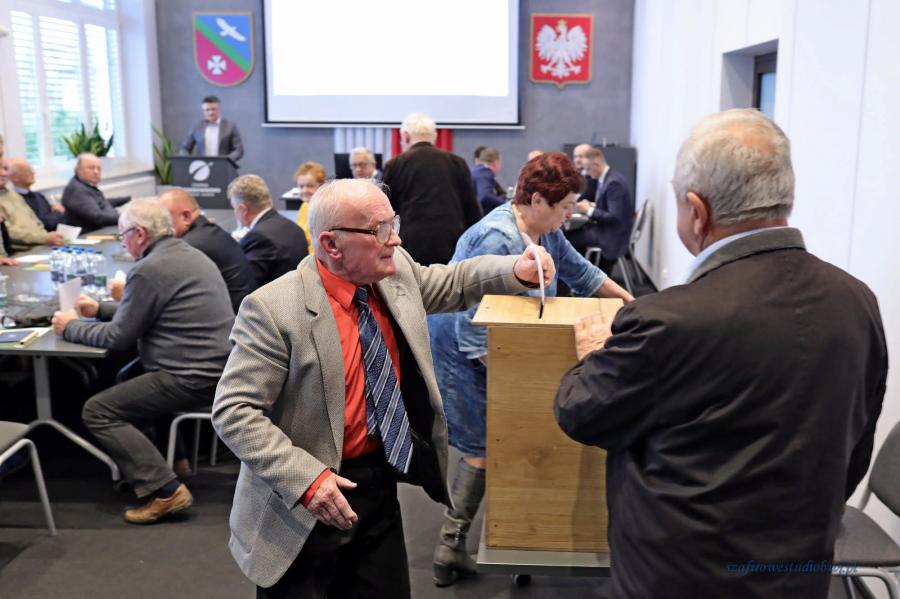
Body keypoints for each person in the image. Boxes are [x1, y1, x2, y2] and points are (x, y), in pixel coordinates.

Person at [553, 109, 888, 598]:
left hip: (678, 579)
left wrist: (592, 352)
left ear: (697, 211)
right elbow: (855, 447)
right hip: (799, 577)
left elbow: (581, 413)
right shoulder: (857, 301)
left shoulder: (666, 320)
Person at [212, 178, 555, 598]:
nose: (395, 238)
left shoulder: (393, 273)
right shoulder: (273, 309)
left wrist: (515, 270)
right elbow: (234, 412)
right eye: (379, 230)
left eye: (393, 223)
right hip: (304, 498)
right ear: (332, 244)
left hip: (376, 484)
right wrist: (307, 480)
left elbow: (452, 281)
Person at [428, 152, 633, 587]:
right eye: (564, 207)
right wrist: (520, 384)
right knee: (484, 446)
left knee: (515, 435)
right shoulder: (498, 239)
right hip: (463, 351)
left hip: (501, 346)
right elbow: (471, 333)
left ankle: (515, 534)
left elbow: (582, 273)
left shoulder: (544, 230)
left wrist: (633, 307)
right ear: (537, 200)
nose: (569, 215)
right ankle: (449, 547)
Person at [50, 199, 234, 524]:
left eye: (123, 236)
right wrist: (101, 310)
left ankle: (165, 490)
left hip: (191, 375)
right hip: (217, 366)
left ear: (139, 234)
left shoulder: (149, 268)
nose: (122, 244)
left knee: (98, 410)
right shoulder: (188, 254)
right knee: (128, 377)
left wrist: (70, 327)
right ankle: (172, 463)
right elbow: (148, 310)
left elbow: (117, 338)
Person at [382, 112, 482, 265]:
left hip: (411, 245)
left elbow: (386, 210)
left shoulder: (395, 165)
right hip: (452, 244)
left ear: (406, 137)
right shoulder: (457, 163)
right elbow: (472, 211)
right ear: (433, 137)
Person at [158, 188, 253, 313]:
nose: (158, 226)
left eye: (164, 219)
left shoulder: (190, 246)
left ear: (186, 216)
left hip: (234, 318)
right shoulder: (210, 231)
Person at [229, 174, 309, 289]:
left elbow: (245, 285)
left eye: (234, 208)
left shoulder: (258, 237)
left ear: (243, 209)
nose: (235, 213)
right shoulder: (294, 227)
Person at [564, 147, 635, 273]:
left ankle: (577, 276)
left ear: (596, 164)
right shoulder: (608, 178)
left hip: (611, 234)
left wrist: (589, 211)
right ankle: (581, 274)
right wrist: (591, 206)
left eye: (588, 169)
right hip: (606, 228)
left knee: (567, 238)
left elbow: (614, 217)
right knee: (571, 235)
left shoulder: (614, 183)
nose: (587, 173)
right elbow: (608, 207)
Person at [0, 158, 64, 250]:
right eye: (27, 171)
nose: (4, 173)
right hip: (22, 251)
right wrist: (44, 238)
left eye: (5, 169)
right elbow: (7, 232)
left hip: (41, 245)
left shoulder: (14, 195)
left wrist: (47, 236)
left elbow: (37, 222)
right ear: (14, 177)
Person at [61, 153, 131, 231]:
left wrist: (129, 199)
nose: (96, 172)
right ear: (77, 170)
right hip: (89, 234)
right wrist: (127, 218)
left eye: (98, 169)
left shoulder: (84, 184)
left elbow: (100, 202)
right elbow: (98, 217)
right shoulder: (76, 190)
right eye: (91, 168)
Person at [180, 95, 244, 163]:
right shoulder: (197, 127)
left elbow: (239, 150)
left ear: (219, 109)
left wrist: (226, 160)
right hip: (202, 167)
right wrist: (188, 161)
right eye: (207, 110)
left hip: (224, 166)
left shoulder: (230, 126)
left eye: (213, 109)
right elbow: (185, 148)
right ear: (203, 111)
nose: (210, 113)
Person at [6, 157, 65, 230]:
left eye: (31, 169)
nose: (33, 173)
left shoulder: (39, 195)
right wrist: (58, 212)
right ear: (15, 177)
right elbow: (44, 224)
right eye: (27, 170)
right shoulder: (16, 201)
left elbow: (51, 221)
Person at [293, 161, 327, 255]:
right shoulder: (304, 205)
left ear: (321, 186)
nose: (304, 190)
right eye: (301, 186)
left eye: (310, 186)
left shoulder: (324, 210)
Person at [470, 146, 506, 214]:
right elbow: (485, 196)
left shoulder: (475, 171)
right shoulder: (485, 173)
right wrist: (505, 205)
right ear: (496, 162)